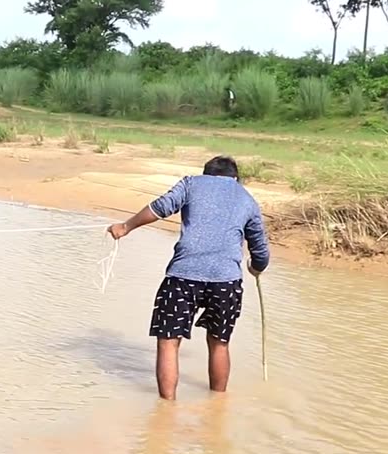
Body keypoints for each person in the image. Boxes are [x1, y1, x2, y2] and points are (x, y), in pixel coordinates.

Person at [107, 155, 269, 401]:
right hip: (226, 281)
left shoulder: (191, 183)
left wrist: (125, 227)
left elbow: (159, 207)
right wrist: (256, 267)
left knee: (169, 341)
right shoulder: (247, 198)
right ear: (235, 178)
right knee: (219, 343)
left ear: (206, 173)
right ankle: (217, 406)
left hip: (183, 276)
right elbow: (260, 251)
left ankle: (167, 407)